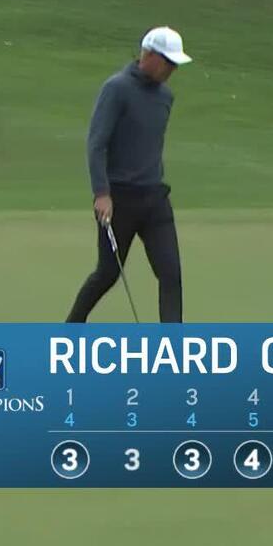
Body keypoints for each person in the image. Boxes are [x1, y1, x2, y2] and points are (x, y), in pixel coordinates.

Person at [66, 26, 192, 324]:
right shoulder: (117, 89)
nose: (172, 69)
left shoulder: (165, 97)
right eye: (168, 62)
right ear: (148, 55)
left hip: (155, 199)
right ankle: (70, 328)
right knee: (107, 273)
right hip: (119, 200)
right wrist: (101, 193)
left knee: (171, 274)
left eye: (175, 64)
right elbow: (97, 143)